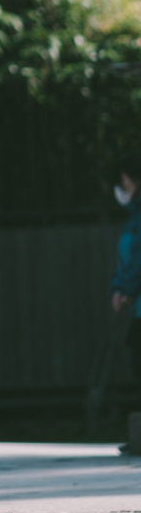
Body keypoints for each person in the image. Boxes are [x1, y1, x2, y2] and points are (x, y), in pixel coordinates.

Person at [111, 155, 141, 398]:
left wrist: (124, 290)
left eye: (126, 182)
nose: (123, 188)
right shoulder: (132, 220)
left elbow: (138, 261)